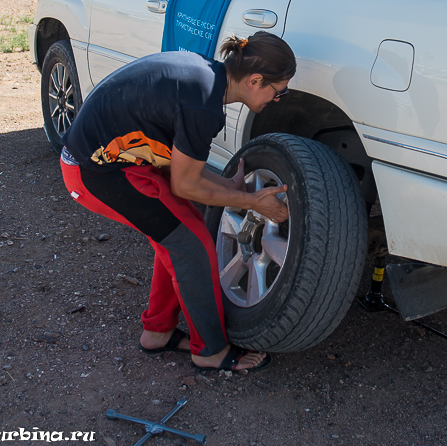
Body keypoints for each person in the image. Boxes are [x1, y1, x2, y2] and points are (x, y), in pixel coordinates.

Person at [59, 31, 295, 372]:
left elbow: (181, 168)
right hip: (94, 172)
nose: (278, 98)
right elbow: (185, 185)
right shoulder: (204, 106)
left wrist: (230, 186)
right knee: (192, 243)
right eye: (279, 89)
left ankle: (158, 333)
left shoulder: (206, 78)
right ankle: (209, 351)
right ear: (256, 80)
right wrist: (252, 201)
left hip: (114, 161)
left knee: (174, 234)